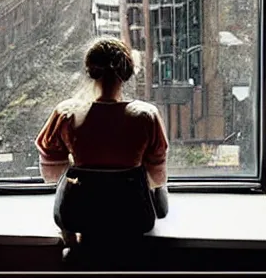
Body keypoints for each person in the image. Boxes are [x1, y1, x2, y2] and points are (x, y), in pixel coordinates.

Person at [35, 37, 169, 249]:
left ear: (89, 71)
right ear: (127, 74)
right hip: (134, 217)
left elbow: (50, 176)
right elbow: (158, 178)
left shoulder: (66, 114)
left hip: (80, 216)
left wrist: (79, 162)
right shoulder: (146, 116)